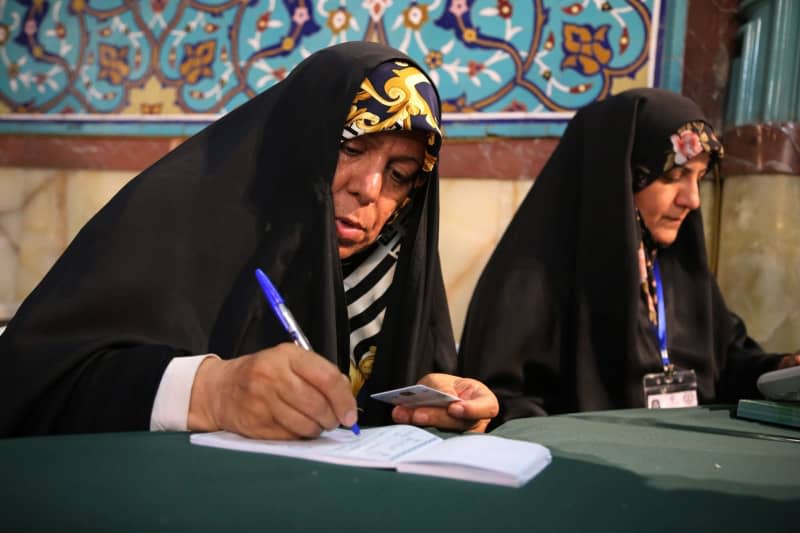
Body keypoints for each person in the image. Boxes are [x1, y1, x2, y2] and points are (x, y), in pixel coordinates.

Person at [0, 42, 498, 439]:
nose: (368, 190)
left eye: (399, 174)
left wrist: (429, 404)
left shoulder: (390, 265)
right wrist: (213, 391)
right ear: (301, 140)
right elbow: (31, 382)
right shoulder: (177, 220)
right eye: (350, 147)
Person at [458, 88, 799, 427]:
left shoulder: (676, 265)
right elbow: (500, 401)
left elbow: (726, 361)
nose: (693, 199)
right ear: (615, 179)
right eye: (673, 176)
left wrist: (780, 368)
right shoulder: (533, 278)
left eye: (699, 177)